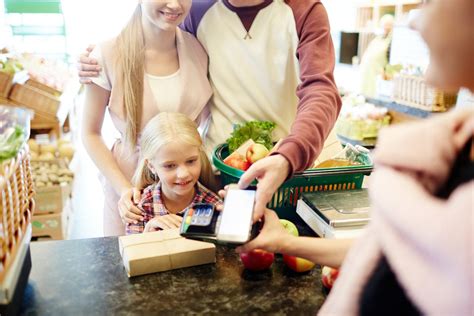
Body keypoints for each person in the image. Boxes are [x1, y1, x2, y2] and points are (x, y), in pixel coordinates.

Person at [236, 0, 474, 314]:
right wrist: (284, 243)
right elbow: (387, 248)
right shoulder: (458, 145)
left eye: (430, 3)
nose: (415, 23)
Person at [78, 0, 342, 222]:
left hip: (287, 170)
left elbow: (321, 90)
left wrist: (289, 155)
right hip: (218, 177)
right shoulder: (198, 11)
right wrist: (99, 59)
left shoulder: (303, 11)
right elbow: (151, 30)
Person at [81, 0, 213, 236]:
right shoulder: (108, 54)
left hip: (186, 188)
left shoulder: (198, 49)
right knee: (129, 265)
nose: (174, 5)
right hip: (129, 184)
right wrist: (123, 189)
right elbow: (90, 133)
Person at [126, 112, 221, 235]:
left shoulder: (215, 206)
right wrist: (148, 231)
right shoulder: (138, 207)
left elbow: (220, 253)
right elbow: (133, 253)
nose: (183, 174)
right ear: (151, 166)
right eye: (170, 166)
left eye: (191, 161)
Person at [359, 14, 394, 98]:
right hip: (366, 76)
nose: (386, 27)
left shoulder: (392, 41)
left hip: (377, 80)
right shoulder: (378, 38)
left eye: (389, 25)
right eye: (384, 24)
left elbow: (391, 63)